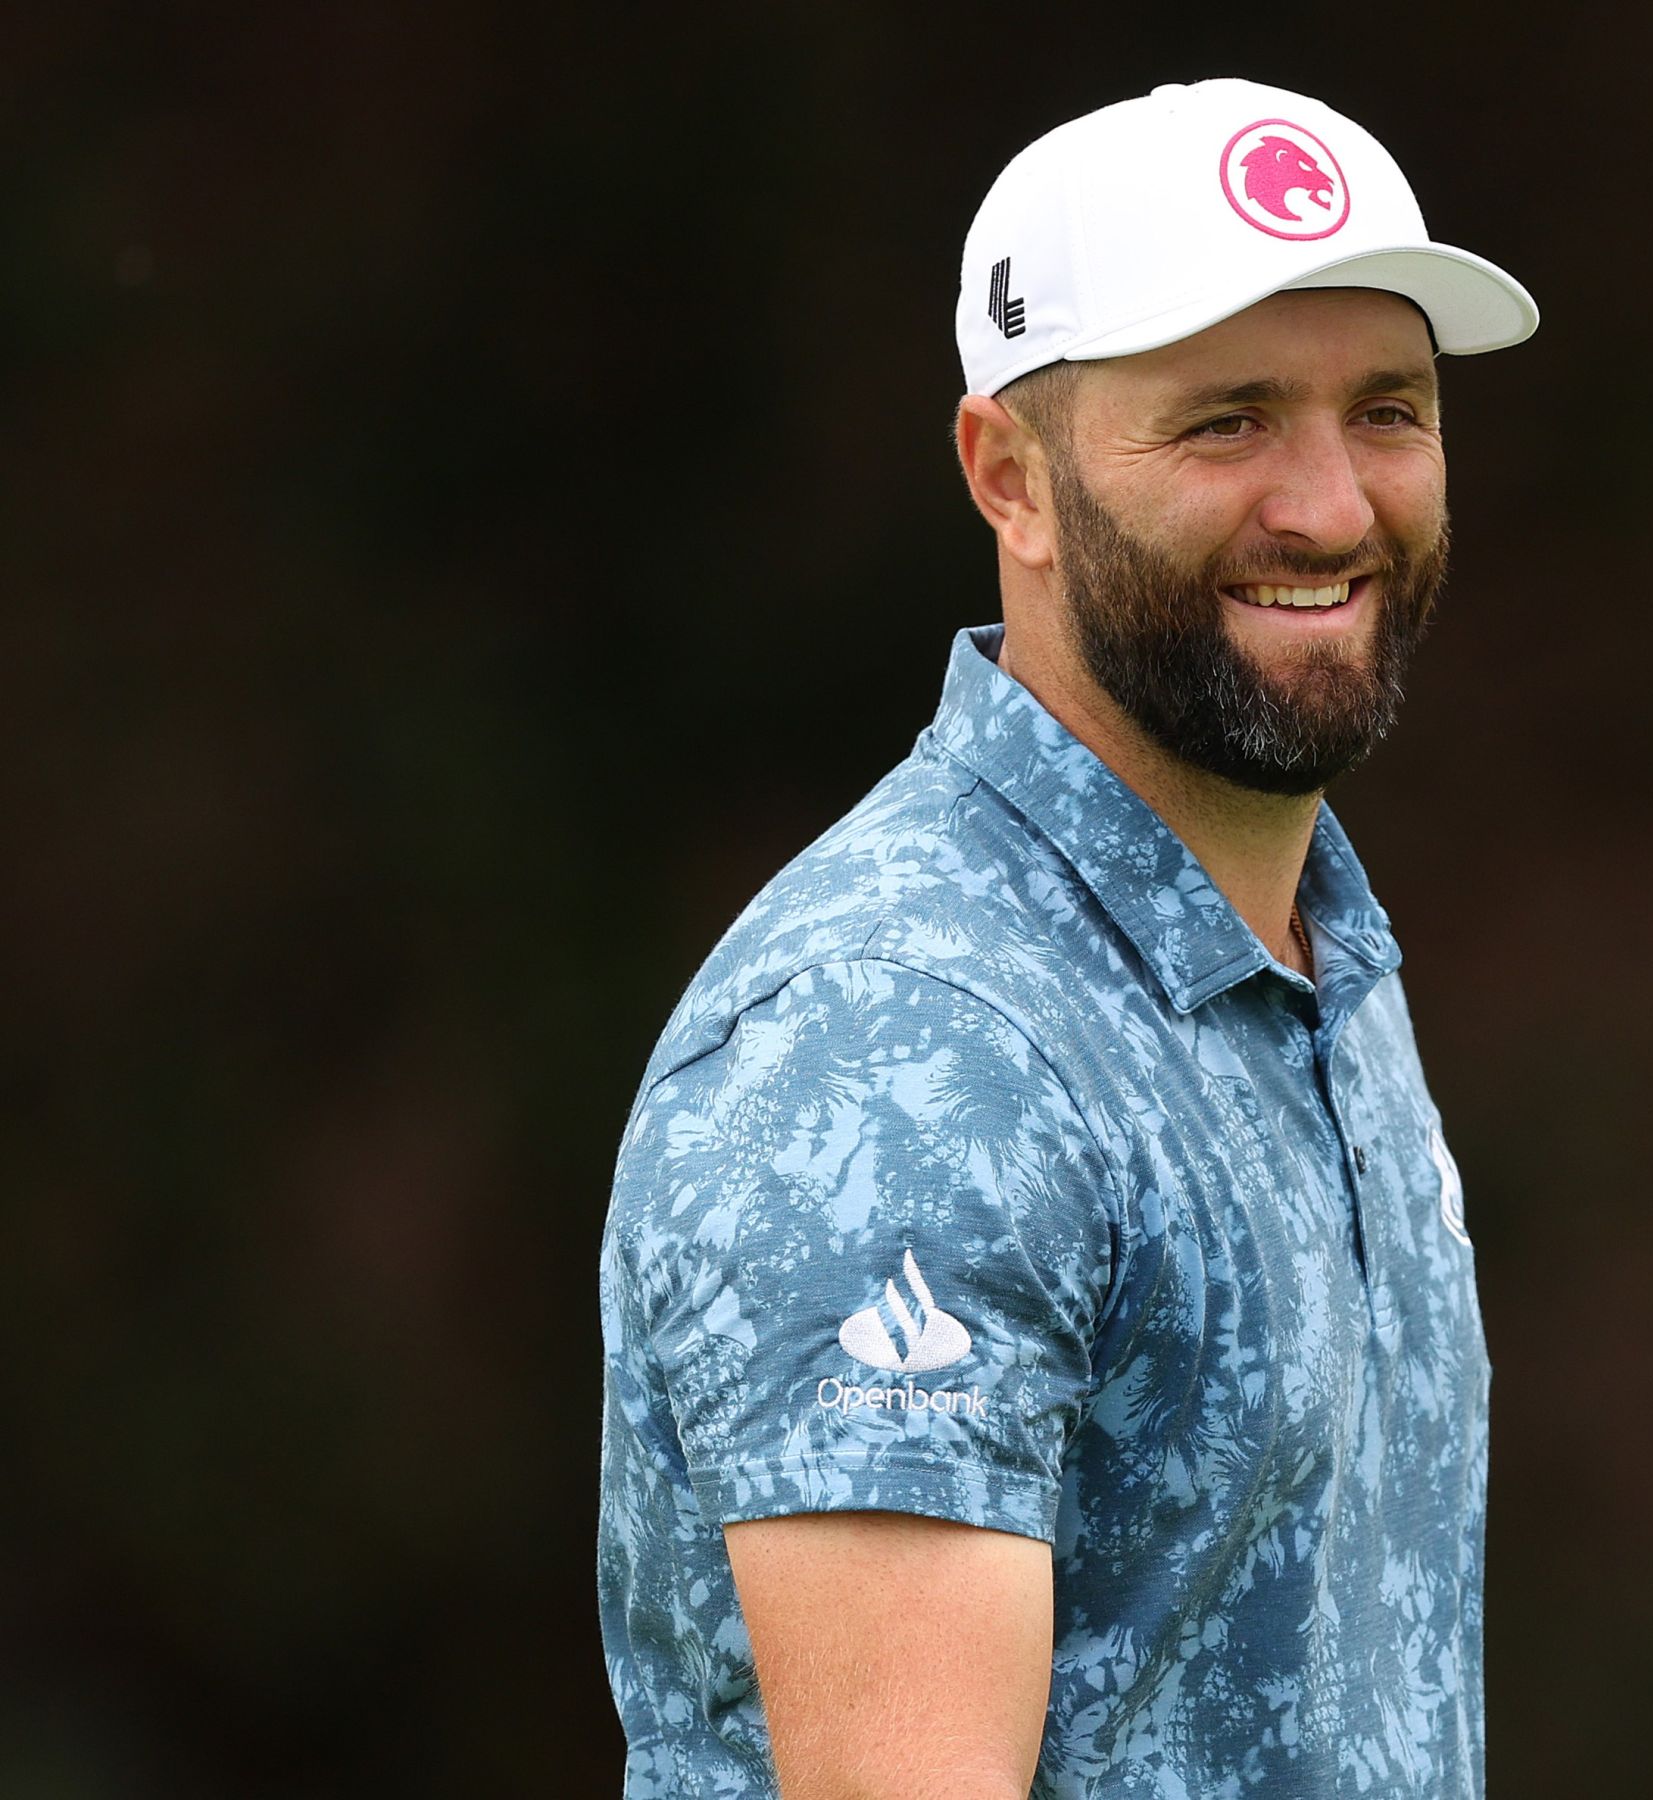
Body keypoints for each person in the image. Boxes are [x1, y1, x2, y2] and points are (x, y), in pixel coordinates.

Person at [595, 77, 1536, 1799]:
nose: (1332, 507)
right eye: (1229, 421)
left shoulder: (1315, 952)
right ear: (1009, 476)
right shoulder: (904, 1051)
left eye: (1387, 410)